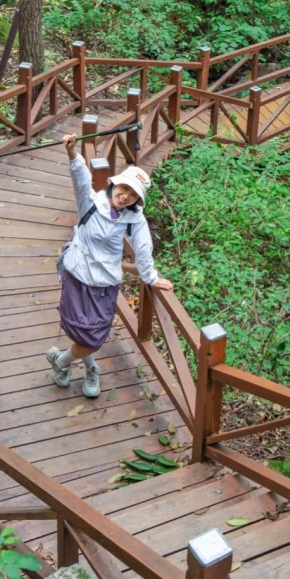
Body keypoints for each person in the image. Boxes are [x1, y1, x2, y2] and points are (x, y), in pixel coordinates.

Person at [47, 134, 173, 397]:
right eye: (124, 188)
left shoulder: (134, 220)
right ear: (115, 184)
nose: (126, 196)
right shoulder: (92, 203)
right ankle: (90, 368)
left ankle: (61, 361)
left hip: (105, 284)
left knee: (94, 336)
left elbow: (143, 249)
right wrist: (72, 153)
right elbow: (81, 178)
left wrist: (151, 278)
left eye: (133, 195)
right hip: (78, 274)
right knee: (81, 329)